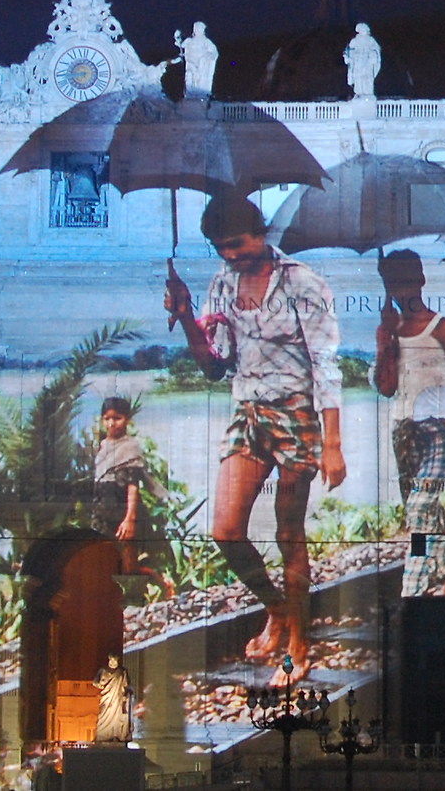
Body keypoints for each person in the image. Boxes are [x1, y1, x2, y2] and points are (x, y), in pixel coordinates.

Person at [165, 192, 347, 672]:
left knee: (289, 532)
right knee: (225, 531)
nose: (229, 255)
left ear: (261, 233)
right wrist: (186, 315)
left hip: (297, 416)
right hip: (248, 412)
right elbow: (213, 365)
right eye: (220, 248)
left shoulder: (303, 282)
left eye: (236, 244)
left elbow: (326, 365)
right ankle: (276, 607)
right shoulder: (222, 284)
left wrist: (333, 445)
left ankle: (299, 642)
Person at [372, 251, 445, 596]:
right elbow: (387, 388)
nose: (402, 291)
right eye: (394, 285)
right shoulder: (389, 331)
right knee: (426, 508)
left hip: (440, 428)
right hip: (403, 429)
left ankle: (413, 589)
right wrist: (384, 345)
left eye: (407, 282)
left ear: (421, 281)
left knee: (419, 507)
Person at [91, 397, 176, 601]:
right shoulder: (102, 446)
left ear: (127, 420)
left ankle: (155, 589)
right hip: (103, 509)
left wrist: (129, 519)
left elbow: (132, 485)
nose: (111, 423)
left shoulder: (130, 447)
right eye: (107, 418)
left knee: (130, 565)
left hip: (124, 509)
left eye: (117, 418)